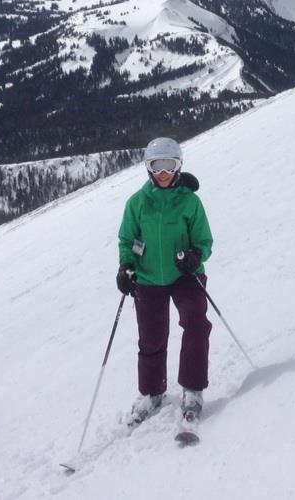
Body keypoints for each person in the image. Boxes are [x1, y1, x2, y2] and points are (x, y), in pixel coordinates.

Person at [116, 136, 213, 429]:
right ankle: (152, 392)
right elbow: (126, 240)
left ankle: (192, 390)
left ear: (178, 166)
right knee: (151, 338)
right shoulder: (137, 203)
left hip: (185, 276)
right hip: (147, 278)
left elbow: (204, 240)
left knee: (196, 325)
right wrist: (126, 267)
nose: (163, 173)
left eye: (169, 165)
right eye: (157, 165)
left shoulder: (190, 202)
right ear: (148, 168)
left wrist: (195, 256)